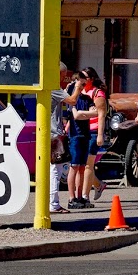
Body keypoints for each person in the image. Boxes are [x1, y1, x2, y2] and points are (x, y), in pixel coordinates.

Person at [66, 68, 108, 209]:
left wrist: (100, 133)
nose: (83, 86)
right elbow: (75, 115)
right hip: (76, 134)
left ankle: (82, 196)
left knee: (84, 166)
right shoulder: (73, 97)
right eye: (81, 83)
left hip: (90, 132)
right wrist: (85, 113)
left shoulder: (92, 95)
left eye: (85, 82)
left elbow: (99, 112)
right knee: (76, 166)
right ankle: (75, 197)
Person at [49, 63, 71, 213]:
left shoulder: (49, 87)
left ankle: (52, 202)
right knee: (55, 169)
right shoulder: (54, 88)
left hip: (50, 131)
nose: (63, 79)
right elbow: (73, 100)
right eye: (62, 76)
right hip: (54, 133)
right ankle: (53, 203)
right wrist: (76, 88)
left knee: (56, 168)